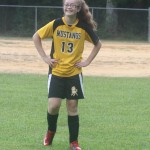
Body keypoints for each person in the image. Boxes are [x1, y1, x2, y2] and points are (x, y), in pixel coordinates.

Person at [33, 0, 101, 149]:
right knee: (54, 105)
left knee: (72, 106)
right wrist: (45, 57)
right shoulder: (56, 24)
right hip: (56, 72)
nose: (69, 7)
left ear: (77, 8)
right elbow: (36, 36)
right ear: (63, 7)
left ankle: (74, 142)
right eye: (66, 4)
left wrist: (87, 61)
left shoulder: (83, 27)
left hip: (74, 74)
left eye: (72, 5)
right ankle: (50, 132)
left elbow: (98, 44)